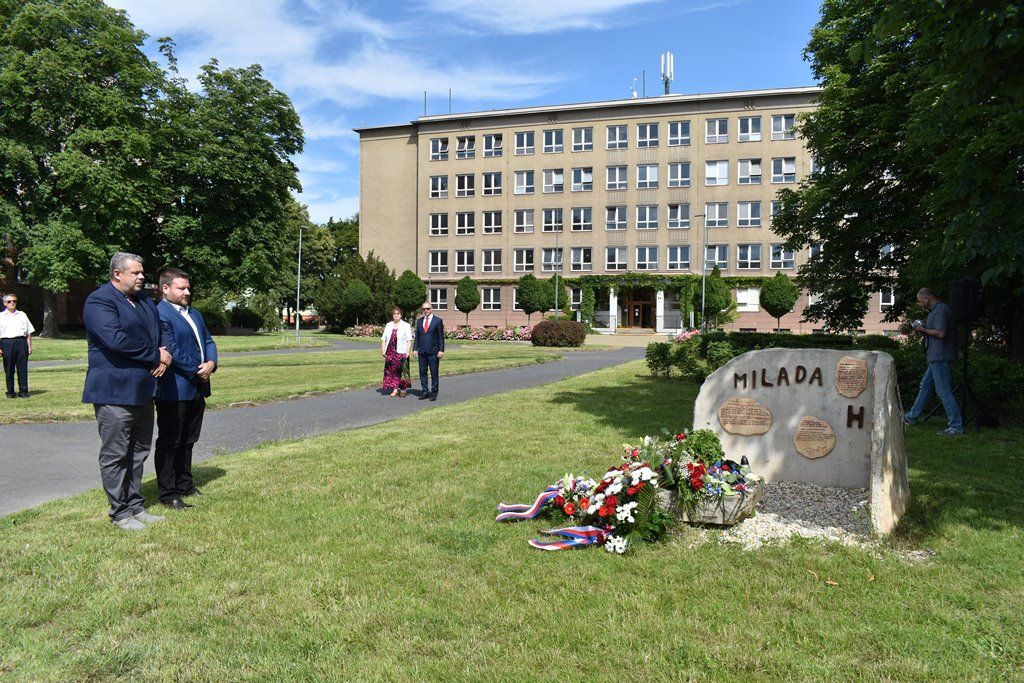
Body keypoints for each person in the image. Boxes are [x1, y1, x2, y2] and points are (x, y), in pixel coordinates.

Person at [83, 252, 173, 531]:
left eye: (142, 272)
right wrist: (154, 356)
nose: (142, 276)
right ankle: (119, 512)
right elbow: (116, 340)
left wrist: (166, 353)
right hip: (114, 392)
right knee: (115, 454)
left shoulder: (144, 300)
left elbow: (161, 331)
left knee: (139, 451)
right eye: (135, 272)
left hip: (143, 389)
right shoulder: (99, 300)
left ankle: (135, 505)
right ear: (117, 274)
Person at [155, 268, 218, 509]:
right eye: (182, 288)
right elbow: (171, 350)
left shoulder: (195, 314)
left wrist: (211, 363)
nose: (187, 292)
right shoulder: (160, 314)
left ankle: (185, 484)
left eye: (188, 287)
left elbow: (208, 340)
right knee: (171, 441)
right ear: (165, 288)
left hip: (197, 388)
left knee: (189, 439)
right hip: (174, 389)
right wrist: (197, 369)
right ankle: (168, 493)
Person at [904, 287, 963, 436]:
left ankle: (956, 427)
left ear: (926, 298)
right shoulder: (935, 311)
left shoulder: (941, 310)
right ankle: (911, 417)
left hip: (941, 357)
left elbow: (941, 333)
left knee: (944, 392)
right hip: (935, 358)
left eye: (920, 301)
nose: (920, 304)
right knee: (925, 387)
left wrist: (923, 330)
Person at [0, 293, 34, 398]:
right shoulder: (0, 316)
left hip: (21, 342)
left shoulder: (22, 314)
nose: (12, 303)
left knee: (22, 368)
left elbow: (28, 332)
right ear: (5, 303)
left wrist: (29, 346)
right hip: (6, 343)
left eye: (14, 301)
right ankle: (10, 392)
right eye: (9, 301)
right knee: (9, 369)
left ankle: (23, 391)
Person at [412, 301, 444, 401]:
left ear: (431, 309)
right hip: (422, 352)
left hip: (434, 352)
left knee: (434, 373)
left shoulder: (437, 321)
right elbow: (417, 336)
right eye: (424, 309)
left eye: (428, 309)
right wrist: (415, 349)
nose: (426, 310)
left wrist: (441, 350)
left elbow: (440, 337)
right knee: (422, 372)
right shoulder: (419, 321)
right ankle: (425, 392)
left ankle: (433, 393)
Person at [380, 306, 412, 397]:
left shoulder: (406, 325)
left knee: (402, 371)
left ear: (401, 315)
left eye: (398, 314)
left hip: (401, 351)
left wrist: (407, 352)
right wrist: (383, 350)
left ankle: (403, 389)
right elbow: (383, 339)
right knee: (391, 371)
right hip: (390, 352)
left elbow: (409, 340)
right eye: (394, 314)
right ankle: (394, 389)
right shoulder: (388, 325)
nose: (396, 315)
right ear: (392, 315)